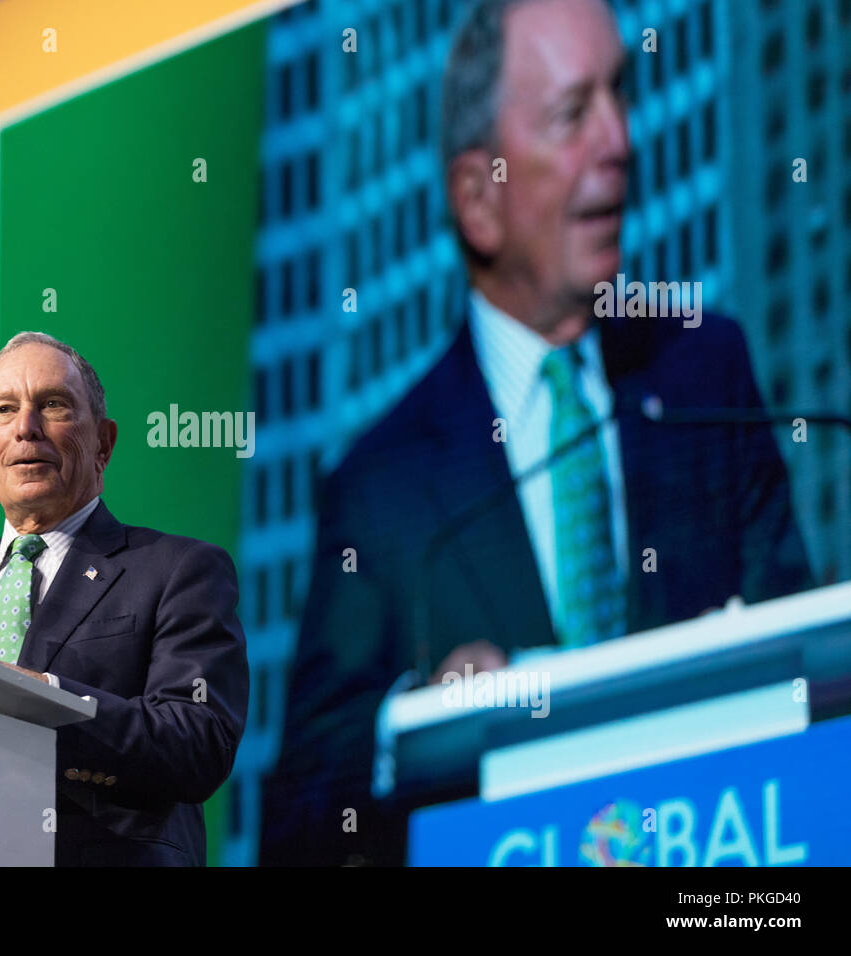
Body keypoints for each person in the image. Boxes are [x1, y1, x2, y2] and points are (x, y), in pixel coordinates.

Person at [260, 0, 811, 866]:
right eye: (572, 114)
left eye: (620, 95)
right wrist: (421, 714)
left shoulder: (708, 376)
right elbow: (301, 815)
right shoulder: (381, 487)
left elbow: (807, 673)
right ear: (478, 200)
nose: (619, 141)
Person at [0, 331, 248, 866]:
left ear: (103, 445)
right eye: (5, 410)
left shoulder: (178, 570)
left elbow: (198, 742)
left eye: (53, 405)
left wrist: (46, 698)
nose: (26, 427)